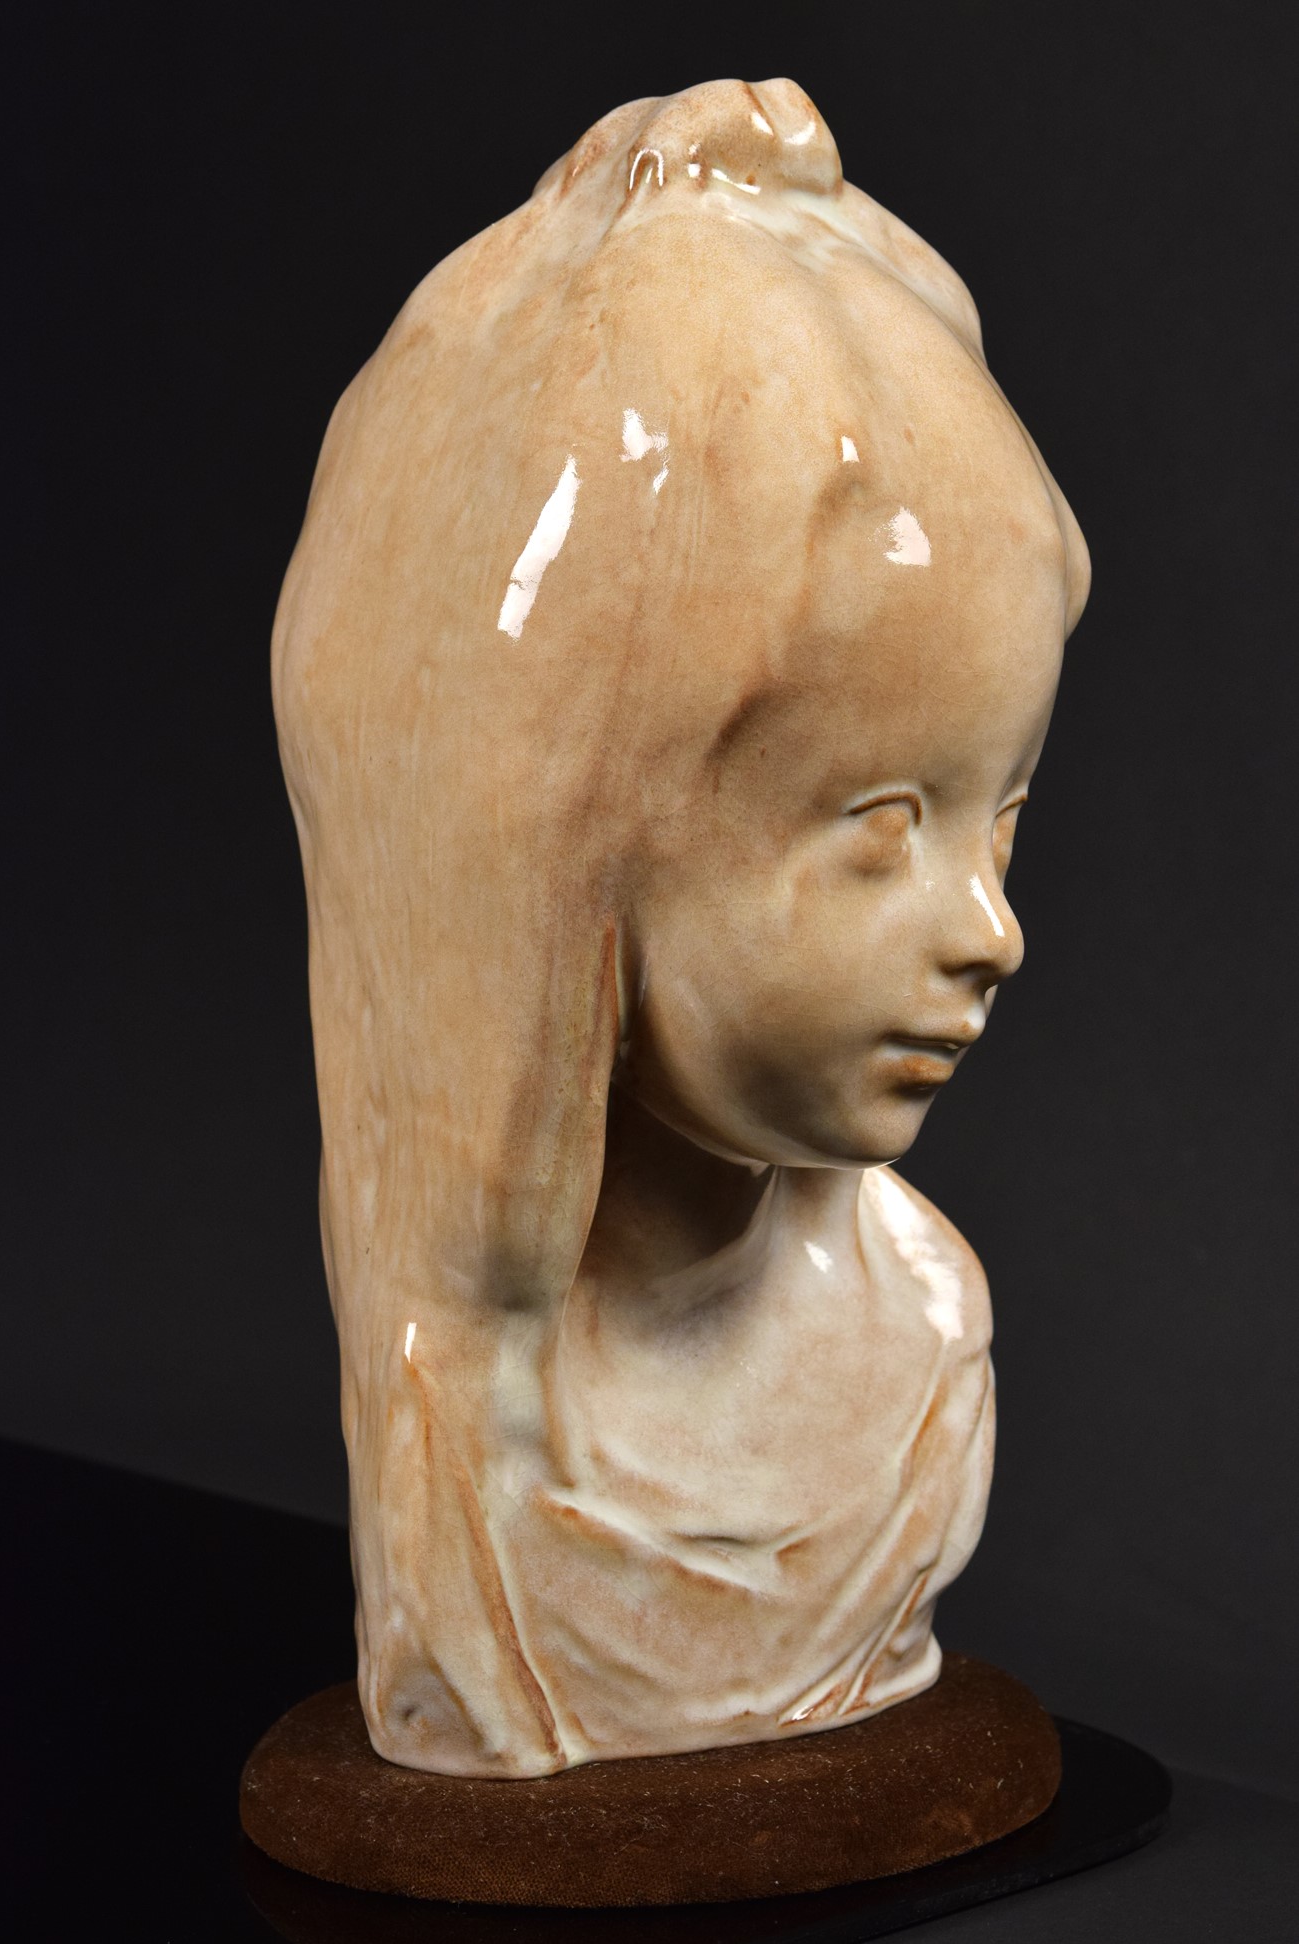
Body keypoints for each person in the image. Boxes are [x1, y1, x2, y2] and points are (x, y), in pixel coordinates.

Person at [273, 78, 1090, 1776]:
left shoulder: (921, 1334)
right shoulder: (459, 1446)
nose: (991, 930)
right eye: (880, 828)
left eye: (999, 818)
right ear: (549, 863)